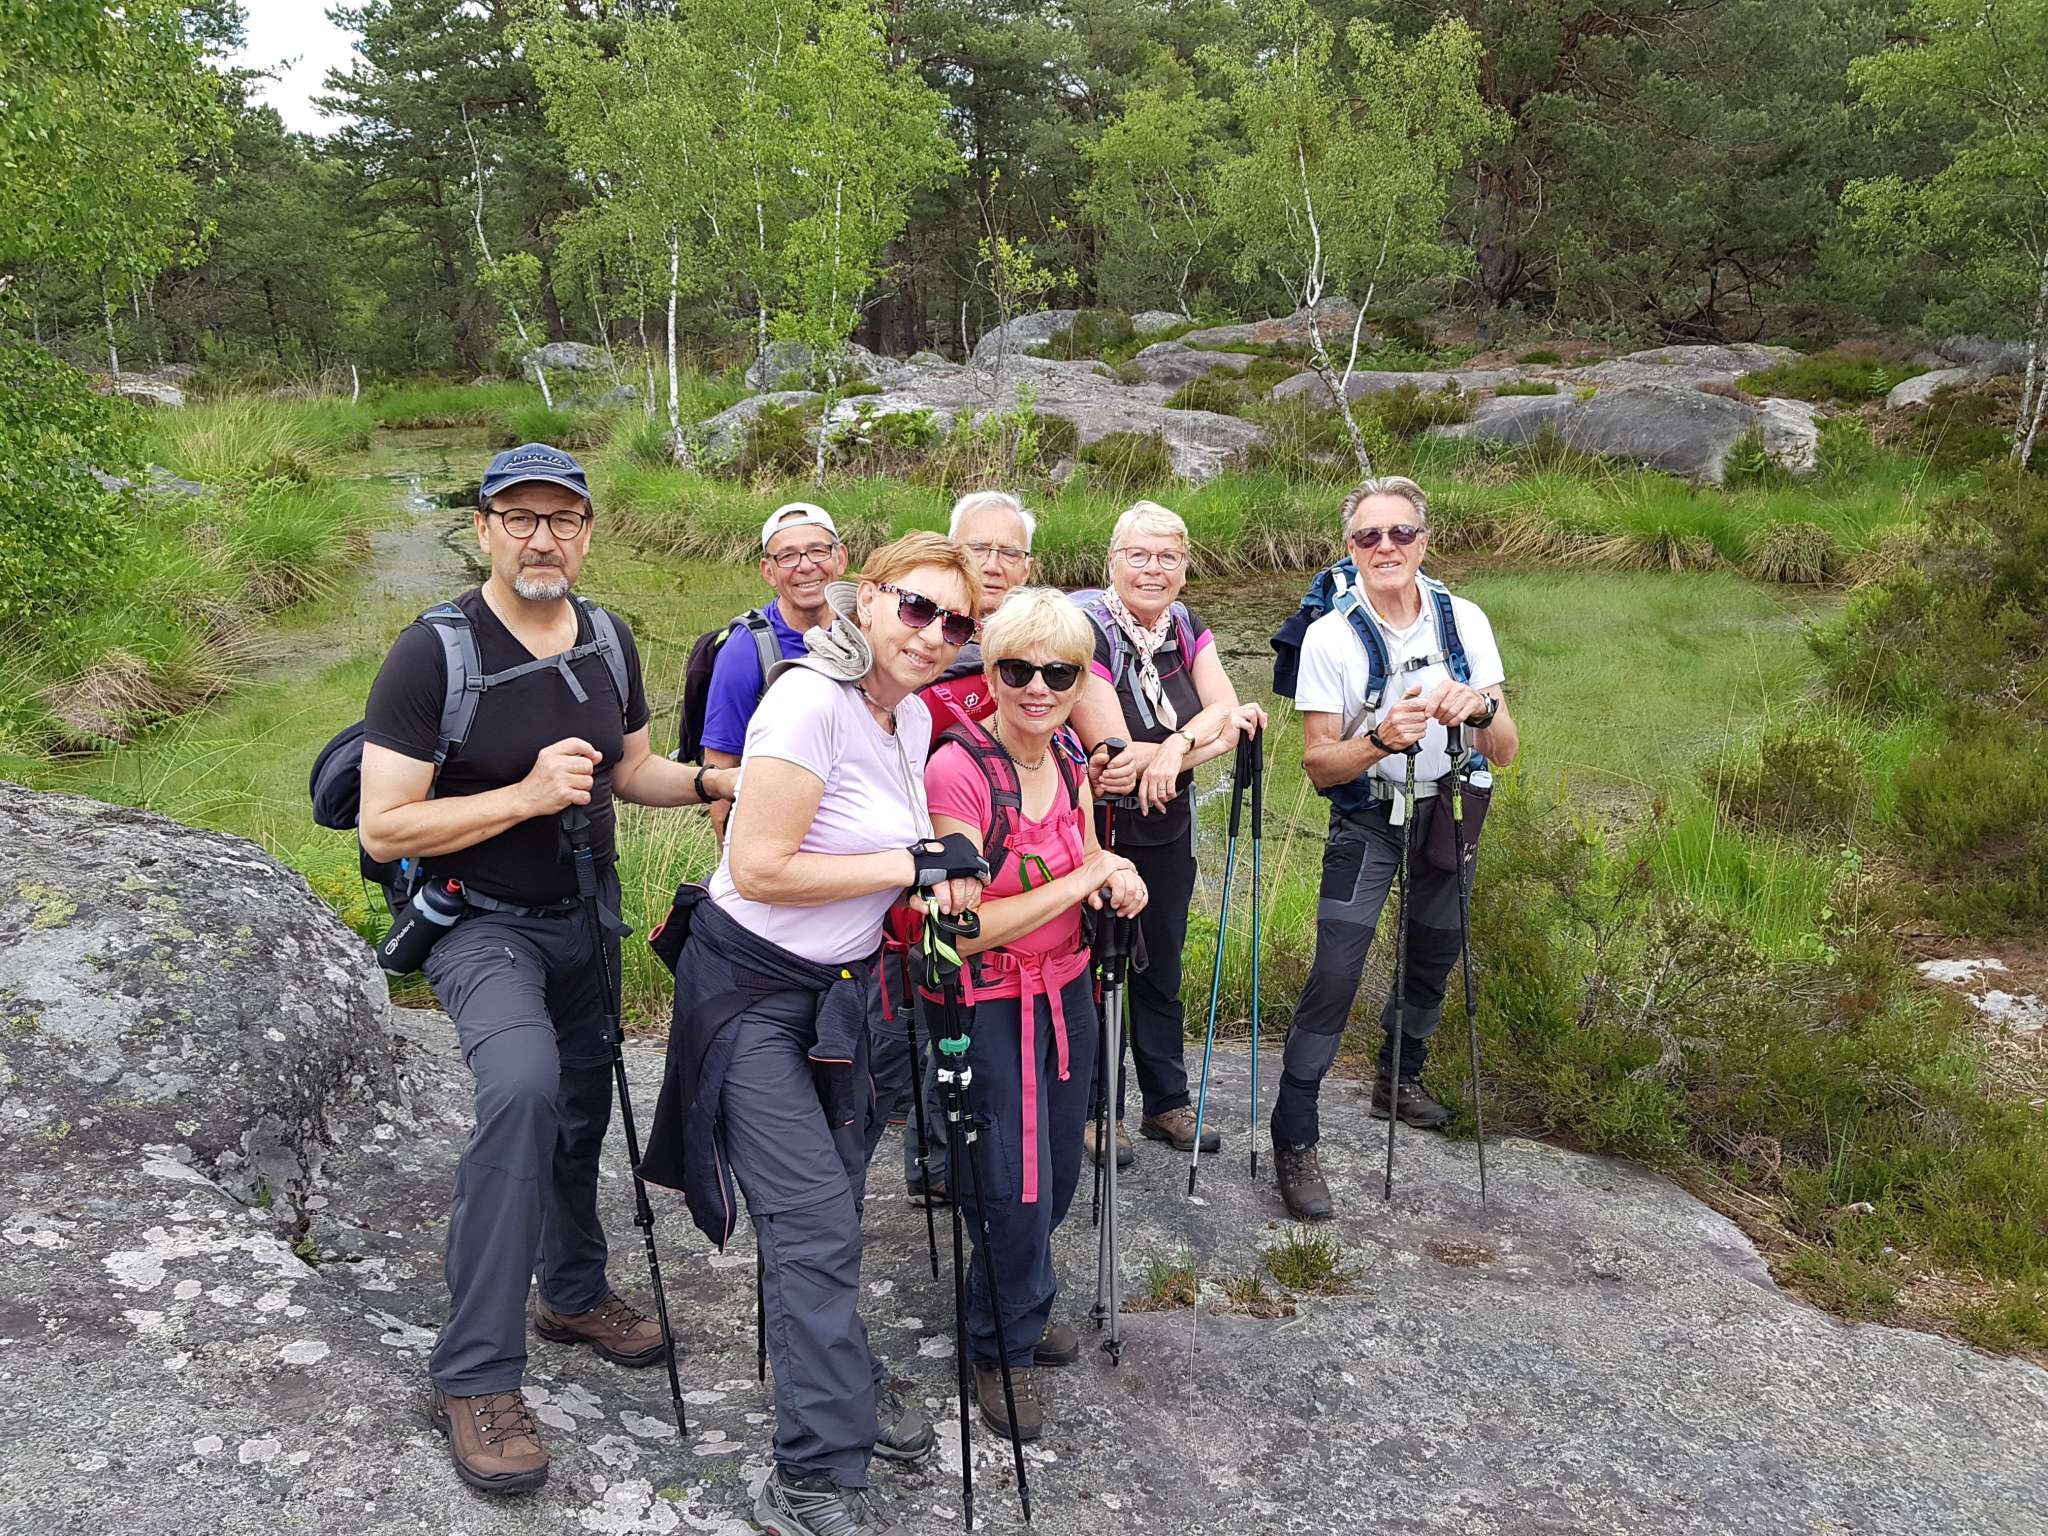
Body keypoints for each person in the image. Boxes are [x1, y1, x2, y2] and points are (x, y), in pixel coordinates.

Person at [355, 443, 737, 1495]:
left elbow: (632, 769)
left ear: (587, 532)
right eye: (518, 518)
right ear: (483, 528)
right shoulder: (431, 654)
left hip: (585, 919)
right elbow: (386, 827)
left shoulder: (607, 637)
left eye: (561, 519)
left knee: (577, 1110)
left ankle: (570, 1293)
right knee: (521, 1092)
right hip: (479, 924)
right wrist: (523, 797)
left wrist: (720, 782)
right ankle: (475, 1375)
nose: (541, 539)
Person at [636, 532, 989, 1536]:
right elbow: (757, 866)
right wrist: (911, 864)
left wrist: (943, 867)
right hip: (746, 993)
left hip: (842, 994)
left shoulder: (907, 715)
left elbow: (901, 846)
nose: (932, 633)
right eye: (915, 607)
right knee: (813, 1223)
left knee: (828, 1207)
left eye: (955, 621)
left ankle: (840, 1380)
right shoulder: (808, 703)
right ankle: (809, 1479)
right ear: (865, 598)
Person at [923, 587, 1145, 1441]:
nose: (1038, 688)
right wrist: (1086, 877)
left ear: (1081, 680)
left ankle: (1013, 1301)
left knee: (1054, 1177)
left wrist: (1115, 875)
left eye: (1059, 673)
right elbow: (962, 927)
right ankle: (999, 1348)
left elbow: (1086, 853)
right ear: (990, 673)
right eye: (1017, 670)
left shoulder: (1070, 759)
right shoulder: (959, 770)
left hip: (1067, 993)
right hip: (989, 1005)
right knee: (1011, 1190)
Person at [1271, 477, 1519, 1222]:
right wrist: (1380, 738)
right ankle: (1295, 1133)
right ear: (1350, 548)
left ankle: (1398, 1077)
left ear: (1424, 540)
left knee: (1435, 950)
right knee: (1336, 969)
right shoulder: (1330, 636)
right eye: (1368, 536)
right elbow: (1319, 764)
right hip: (1369, 817)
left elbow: (1506, 749)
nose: (1386, 547)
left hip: (1449, 808)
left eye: (1401, 532)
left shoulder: (1464, 620)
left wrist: (1479, 709)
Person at [1070, 501, 1266, 1165]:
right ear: (1112, 562)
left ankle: (1166, 1102)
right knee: (1098, 968)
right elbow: (1115, 755)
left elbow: (1229, 714)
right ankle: (1096, 1111)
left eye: (1168, 557)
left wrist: (1176, 748)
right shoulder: (1086, 629)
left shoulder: (1185, 626)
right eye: (1139, 555)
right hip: (1099, 828)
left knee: (1163, 965)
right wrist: (1185, 746)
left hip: (1166, 823)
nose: (1153, 569)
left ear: (1184, 568)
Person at [880, 489, 1041, 1209]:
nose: (995, 564)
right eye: (980, 549)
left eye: (1010, 551)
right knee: (932, 1008)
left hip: (1004, 861)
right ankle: (933, 1161)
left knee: (967, 1011)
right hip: (917, 862)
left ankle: (964, 1149)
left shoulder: (1038, 641)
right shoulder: (919, 650)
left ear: (1028, 564)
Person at [700, 501, 850, 845]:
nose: (806, 566)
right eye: (788, 556)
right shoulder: (746, 649)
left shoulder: (868, 631)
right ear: (768, 571)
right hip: (779, 838)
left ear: (840, 558)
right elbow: (720, 768)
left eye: (818, 551)